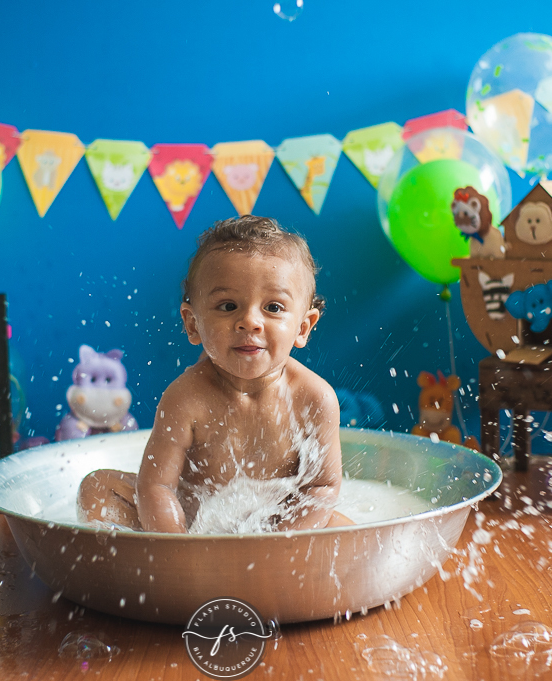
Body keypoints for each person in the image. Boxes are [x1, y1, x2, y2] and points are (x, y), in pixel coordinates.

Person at [77, 215, 351, 533]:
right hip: (192, 522)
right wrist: (178, 549)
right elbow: (157, 487)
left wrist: (282, 543)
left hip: (278, 526)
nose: (250, 321)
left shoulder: (314, 397)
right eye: (228, 306)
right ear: (193, 324)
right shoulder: (186, 397)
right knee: (95, 487)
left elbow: (321, 489)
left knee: (348, 533)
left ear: (303, 328)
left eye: (273, 307)